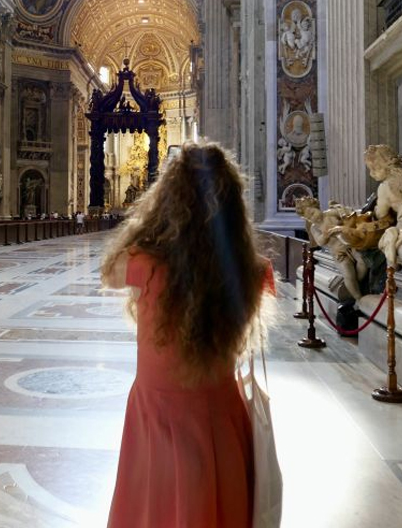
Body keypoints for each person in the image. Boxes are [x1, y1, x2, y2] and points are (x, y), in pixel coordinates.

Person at [101, 142, 274, 528]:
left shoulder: (144, 262)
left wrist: (152, 222)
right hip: (220, 414)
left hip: (158, 413)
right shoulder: (252, 270)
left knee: (153, 510)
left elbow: (109, 271)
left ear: (168, 198)